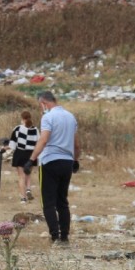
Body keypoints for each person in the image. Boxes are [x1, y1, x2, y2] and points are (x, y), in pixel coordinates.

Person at [27, 91, 80, 245]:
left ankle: (55, 236)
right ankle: (64, 237)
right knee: (62, 201)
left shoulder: (48, 117)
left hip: (50, 161)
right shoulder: (71, 117)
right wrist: (75, 160)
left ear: (43, 102)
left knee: (48, 202)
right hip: (67, 162)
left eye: (40, 105)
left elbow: (43, 141)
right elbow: (76, 144)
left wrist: (31, 160)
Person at [5, 110, 39, 203]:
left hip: (20, 153)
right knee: (28, 173)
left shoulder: (17, 128)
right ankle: (28, 189)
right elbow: (38, 143)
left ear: (22, 118)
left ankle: (23, 198)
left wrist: (5, 148)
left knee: (21, 176)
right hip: (31, 154)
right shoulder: (35, 130)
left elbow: (12, 145)